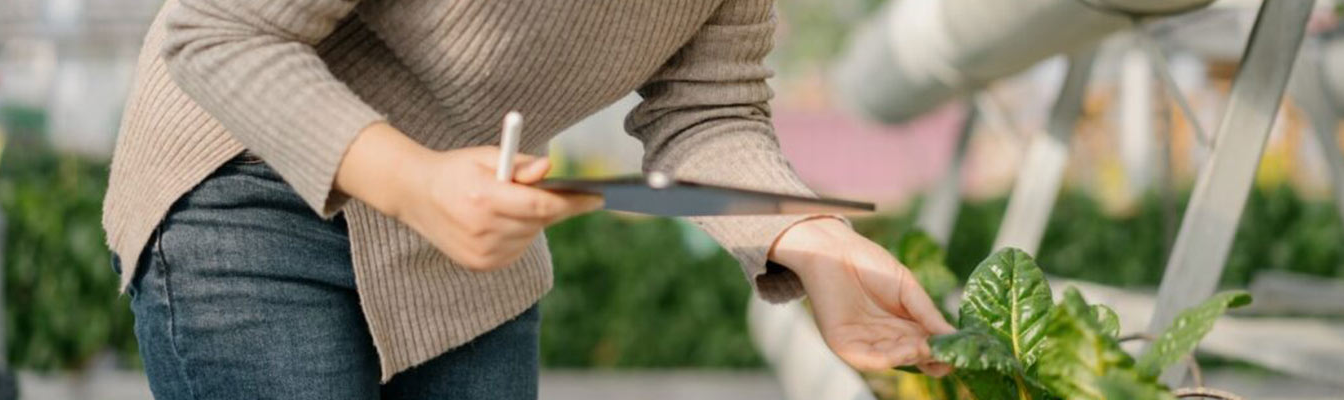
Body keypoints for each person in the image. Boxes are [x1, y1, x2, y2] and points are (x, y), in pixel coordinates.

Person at [102, 0, 955, 399]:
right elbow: (218, 28)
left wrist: (812, 238)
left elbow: (709, 111)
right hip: (253, 184)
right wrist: (410, 181)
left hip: (467, 214)